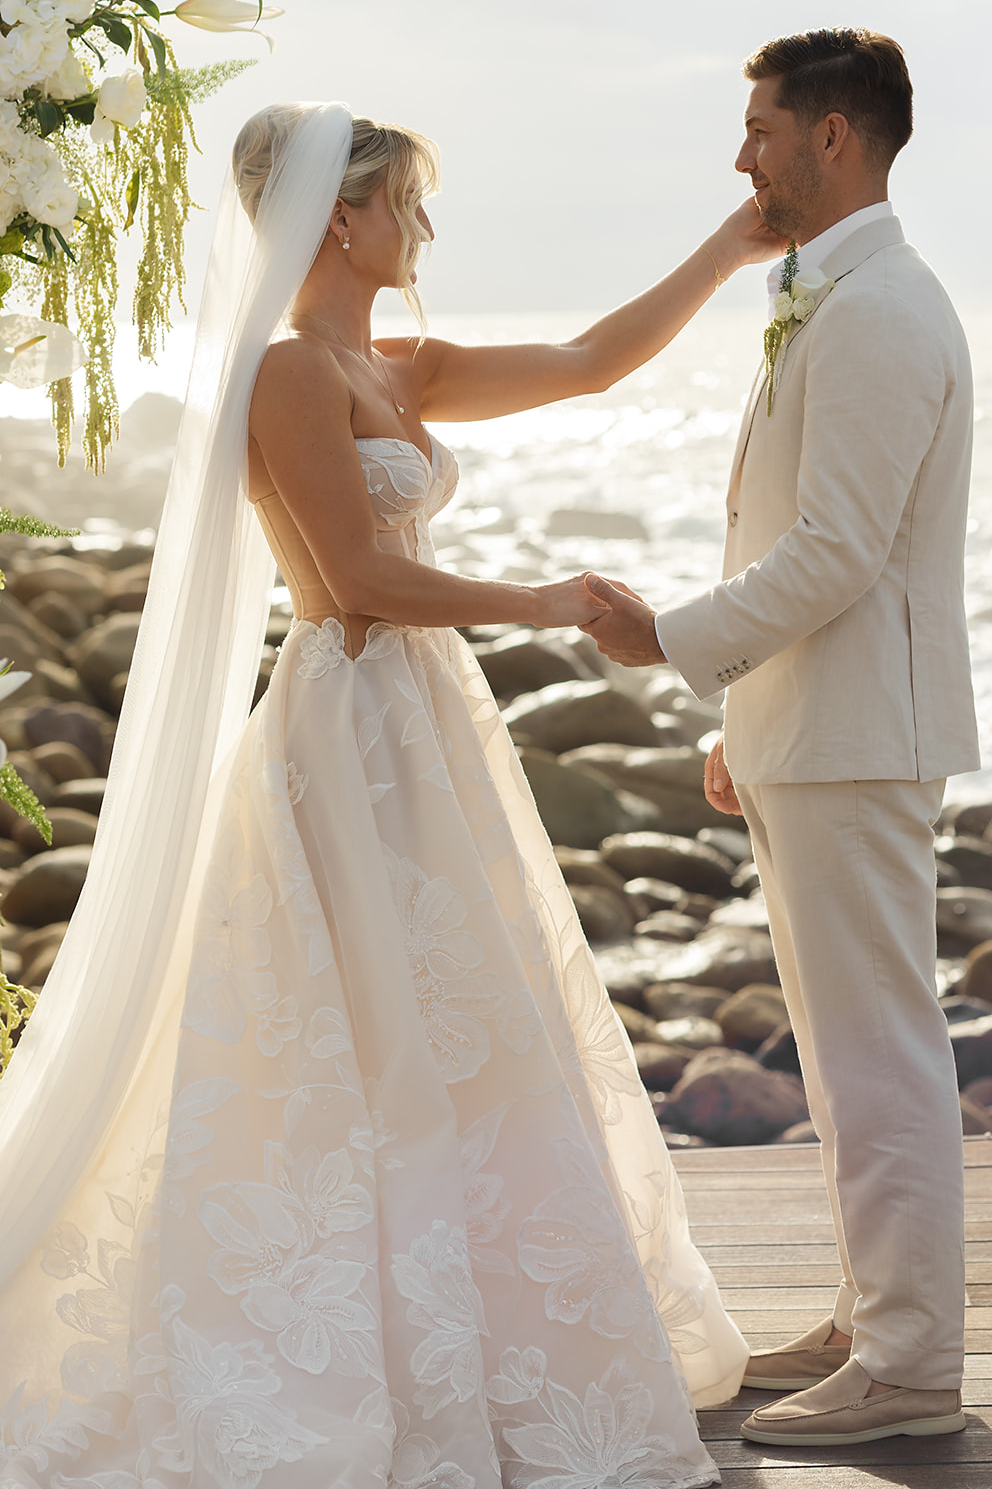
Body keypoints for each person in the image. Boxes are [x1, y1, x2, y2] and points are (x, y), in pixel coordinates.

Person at [0, 101, 783, 1487]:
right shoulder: (296, 376)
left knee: (473, 1018)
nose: (426, 227)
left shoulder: (389, 366)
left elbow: (594, 361)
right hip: (352, 720)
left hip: (425, 719)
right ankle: (366, 1338)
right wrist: (540, 599)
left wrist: (731, 245)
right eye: (410, 203)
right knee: (370, 1029)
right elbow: (355, 582)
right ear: (343, 217)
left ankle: (476, 1320)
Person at [581, 29, 979, 1449]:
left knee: (878, 1048)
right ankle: (879, 1317)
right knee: (842, 1045)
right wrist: (749, 717)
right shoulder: (834, 291)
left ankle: (915, 1362)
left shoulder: (878, 311)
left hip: (867, 733)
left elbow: (838, 554)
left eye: (759, 129)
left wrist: (670, 641)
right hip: (821, 726)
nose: (739, 156)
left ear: (832, 138)